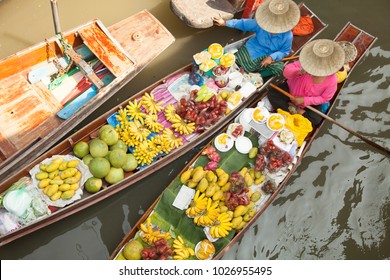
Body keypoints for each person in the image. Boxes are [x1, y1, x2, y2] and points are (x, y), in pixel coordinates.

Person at [213, 0, 300, 78]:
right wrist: (225, 23)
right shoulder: (262, 23)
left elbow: (284, 51)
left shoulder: (288, 35)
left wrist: (271, 57)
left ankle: (256, 76)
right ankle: (248, 73)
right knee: (240, 63)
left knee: (279, 69)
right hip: (254, 49)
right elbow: (244, 23)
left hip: (269, 55)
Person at [267, 39, 345, 126]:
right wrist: (299, 71)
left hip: (309, 102)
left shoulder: (332, 80)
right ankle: (294, 111)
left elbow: (324, 98)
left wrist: (305, 100)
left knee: (315, 120)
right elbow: (286, 72)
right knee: (272, 94)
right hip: (290, 91)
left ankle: (295, 110)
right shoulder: (305, 63)